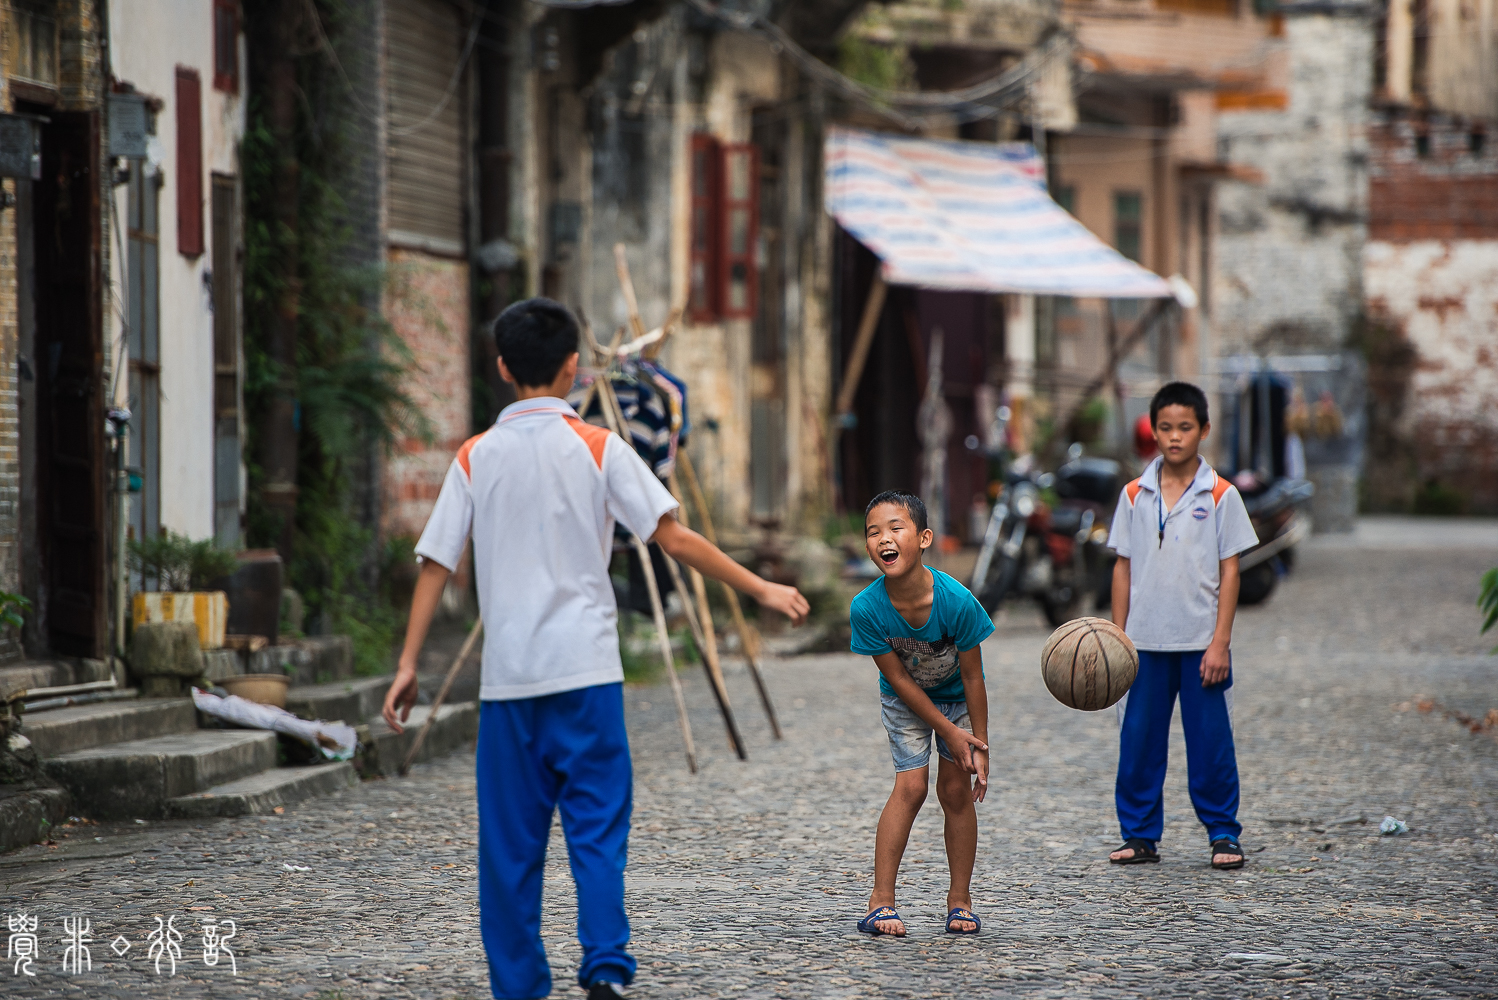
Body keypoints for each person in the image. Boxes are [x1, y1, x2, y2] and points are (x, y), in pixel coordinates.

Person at [382, 298, 810, 1000]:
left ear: (500, 367)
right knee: (597, 832)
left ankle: (519, 987)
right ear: (573, 368)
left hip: (510, 683)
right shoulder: (600, 446)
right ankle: (605, 967)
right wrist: (758, 587)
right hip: (587, 675)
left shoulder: (473, 456)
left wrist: (407, 666)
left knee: (509, 850)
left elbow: (436, 562)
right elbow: (672, 536)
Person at [1105, 381, 1258, 870]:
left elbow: (1230, 568)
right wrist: (1117, 636)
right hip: (1143, 643)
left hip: (1200, 644)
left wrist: (1221, 642)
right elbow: (1123, 567)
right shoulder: (1133, 494)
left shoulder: (1220, 494)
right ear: (1153, 430)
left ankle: (1222, 833)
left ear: (1204, 431)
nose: (1174, 437)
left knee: (1211, 743)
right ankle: (1140, 834)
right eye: (1165, 427)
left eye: (1185, 428)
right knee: (1139, 742)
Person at [850, 490, 993, 937]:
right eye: (874, 532)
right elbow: (899, 680)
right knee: (910, 787)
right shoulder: (866, 608)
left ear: (924, 537)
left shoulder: (958, 602)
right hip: (905, 699)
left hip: (956, 696)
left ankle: (960, 900)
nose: (884, 539)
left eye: (896, 528)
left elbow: (973, 678)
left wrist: (978, 744)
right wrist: (946, 731)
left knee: (954, 791)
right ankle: (881, 902)